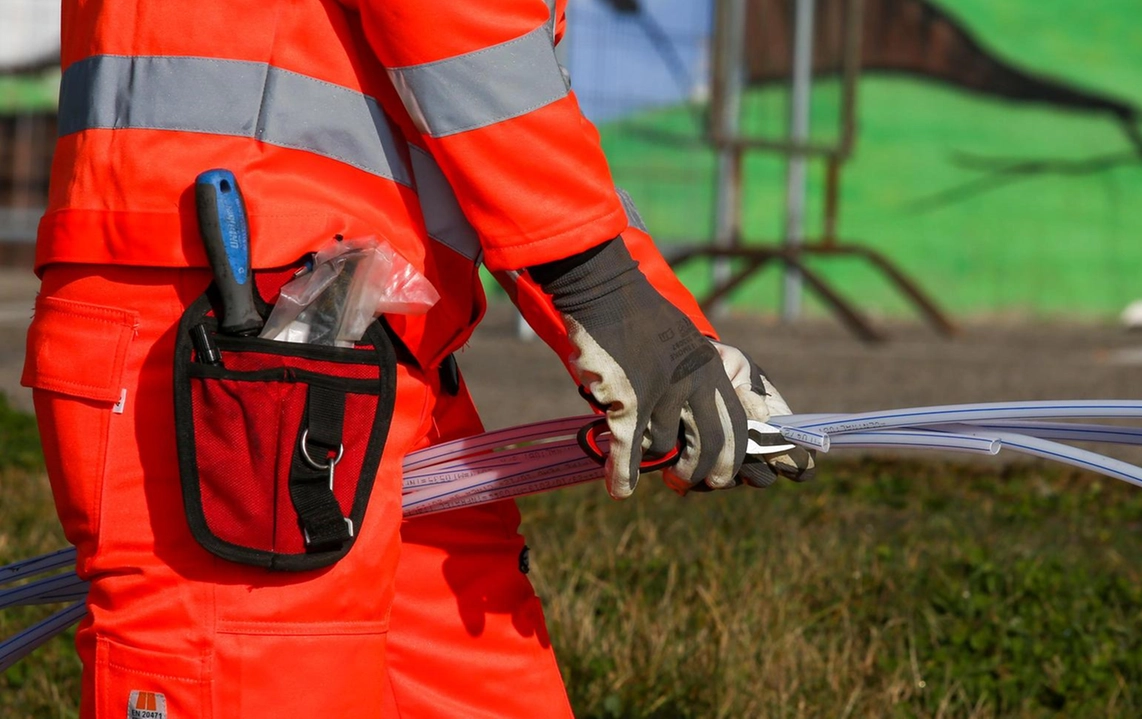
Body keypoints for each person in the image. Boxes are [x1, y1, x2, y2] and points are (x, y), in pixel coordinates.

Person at [23, 1, 813, 716]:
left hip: (348, 338)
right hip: (224, 340)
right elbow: (458, 28)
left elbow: (499, 103)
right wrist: (604, 292)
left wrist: (665, 333)